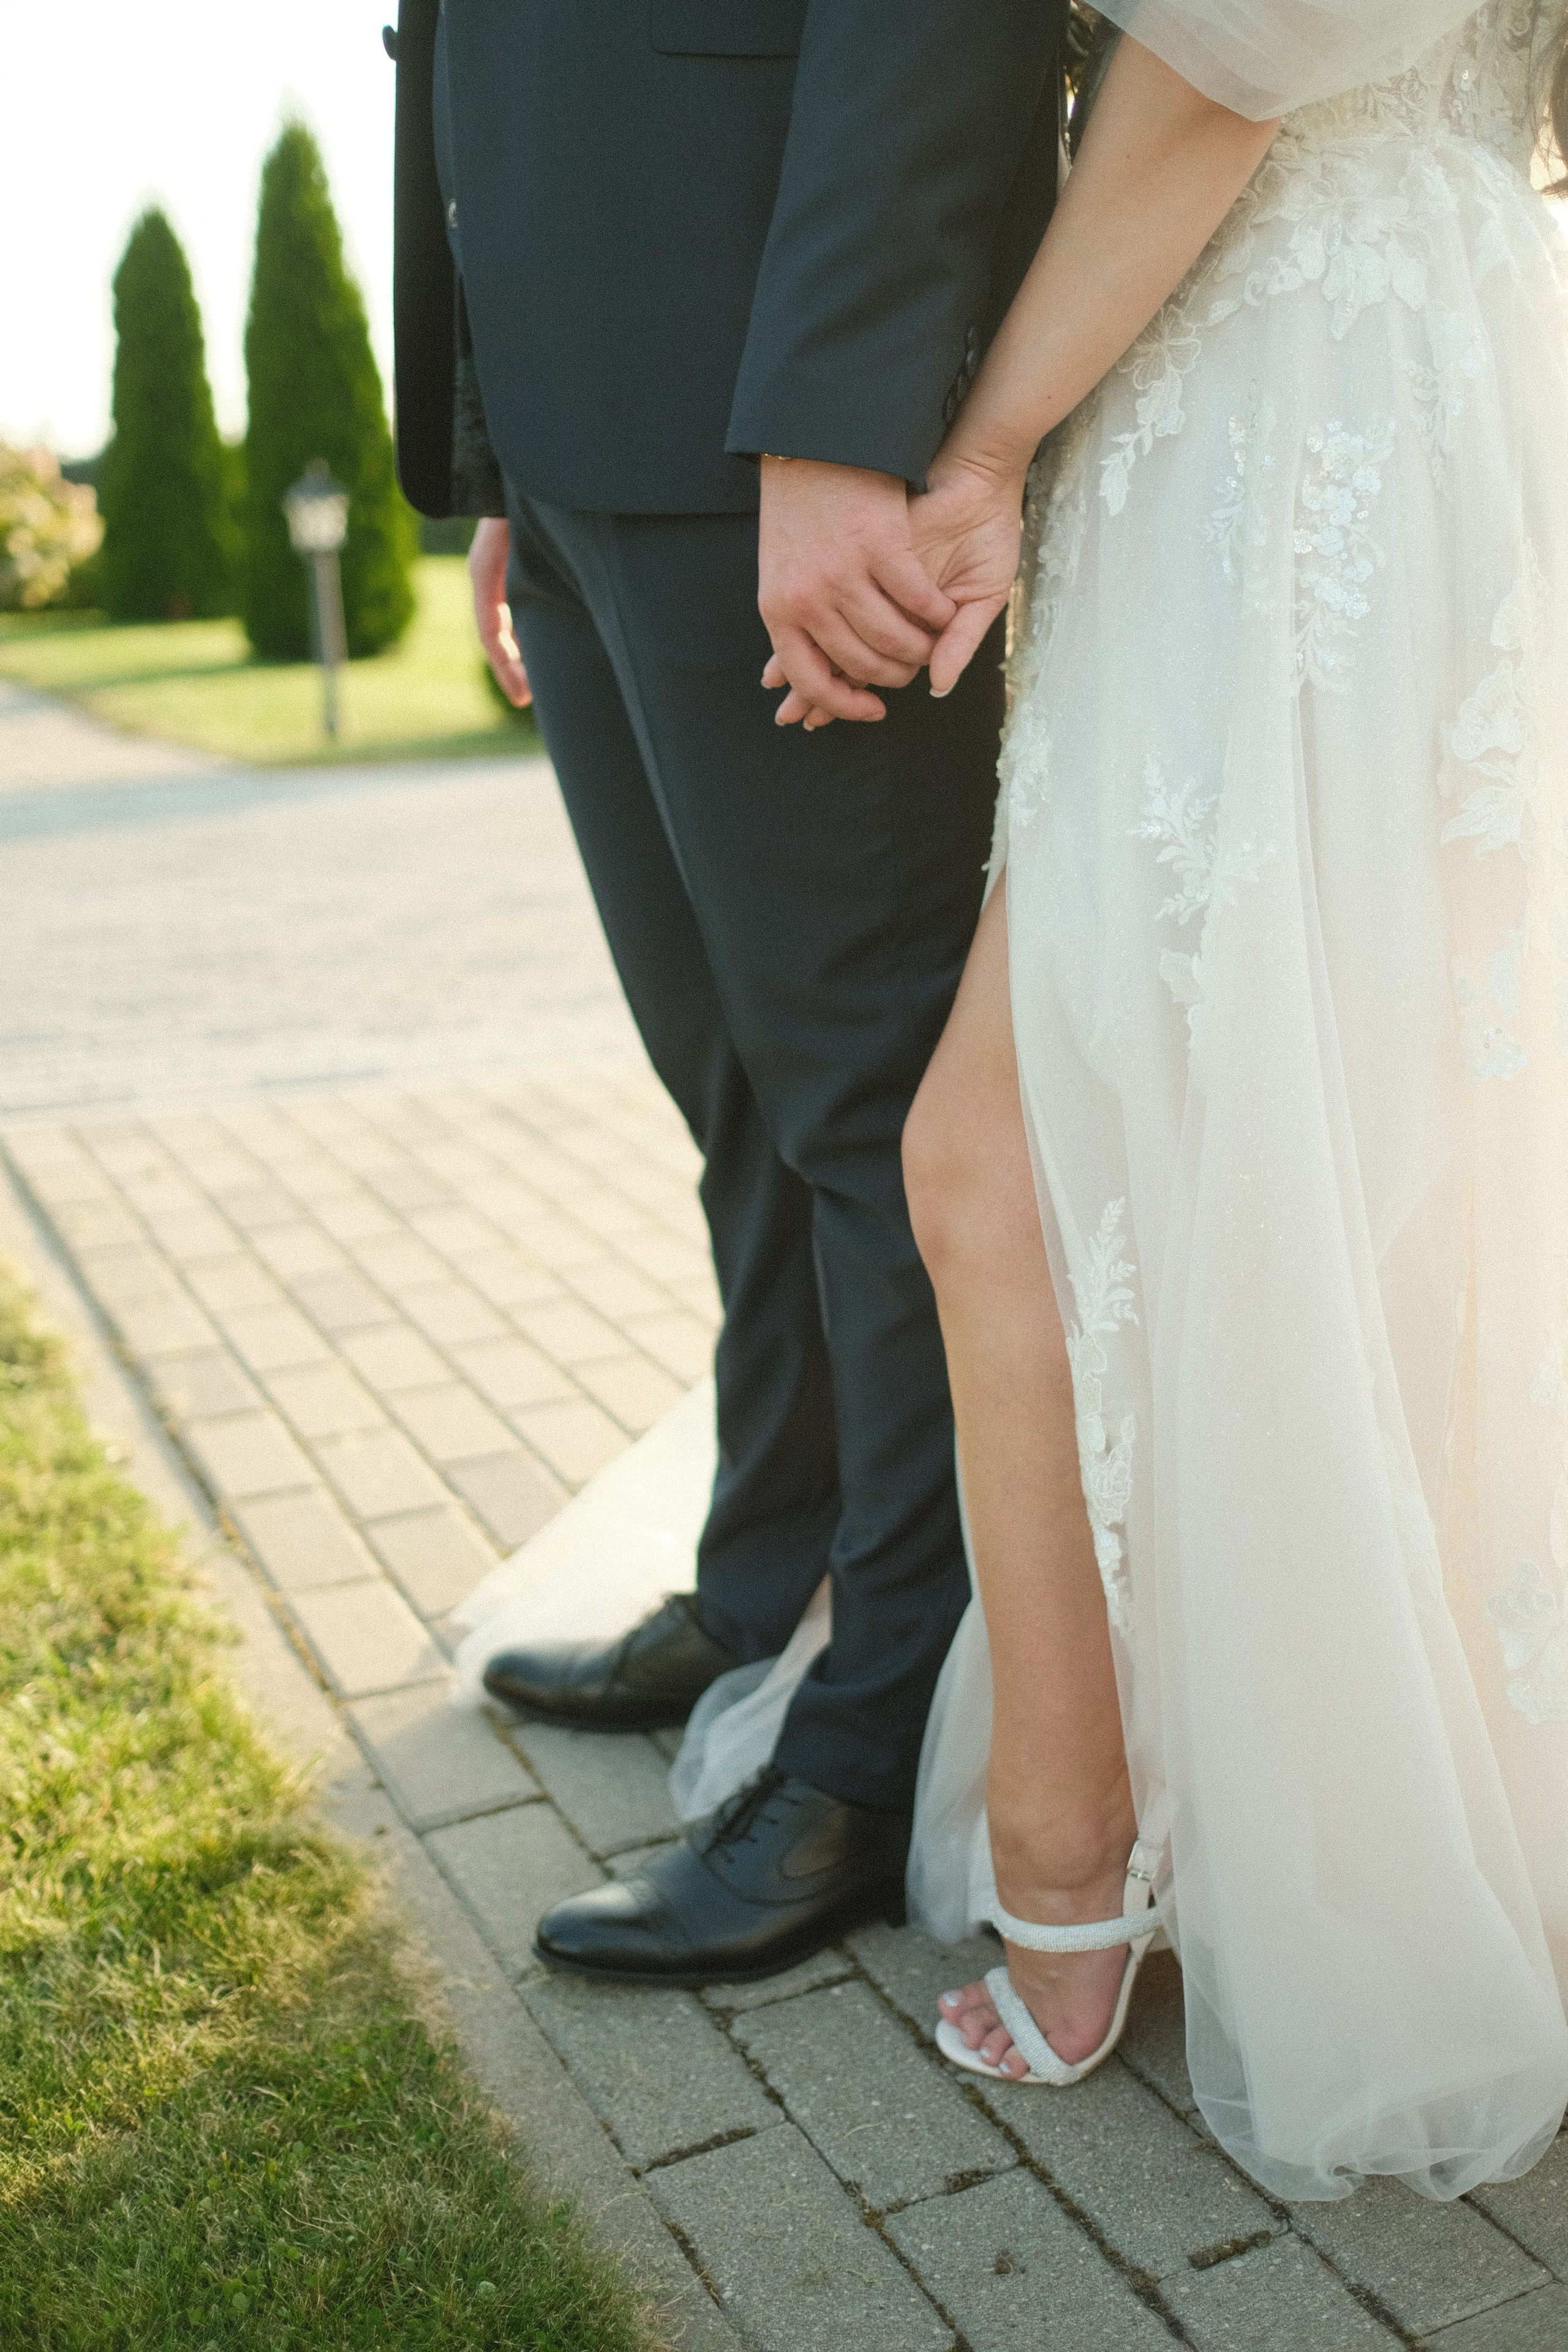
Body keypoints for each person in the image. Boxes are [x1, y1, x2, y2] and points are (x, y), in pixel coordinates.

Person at [769, 0, 1568, 2199]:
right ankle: (1332, 1816)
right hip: (1397, 372)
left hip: (1281, 404)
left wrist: (988, 442)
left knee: (1002, 1153)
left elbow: (1238, 53)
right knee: (1358, 1158)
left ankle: (1083, 1852)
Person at [385, 0, 1065, 1983]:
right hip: (575, 393)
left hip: (776, 394)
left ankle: (871, 1752)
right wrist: (496, 431)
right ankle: (769, 1582)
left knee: (873, 1116)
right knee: (734, 1091)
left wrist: (843, 419)